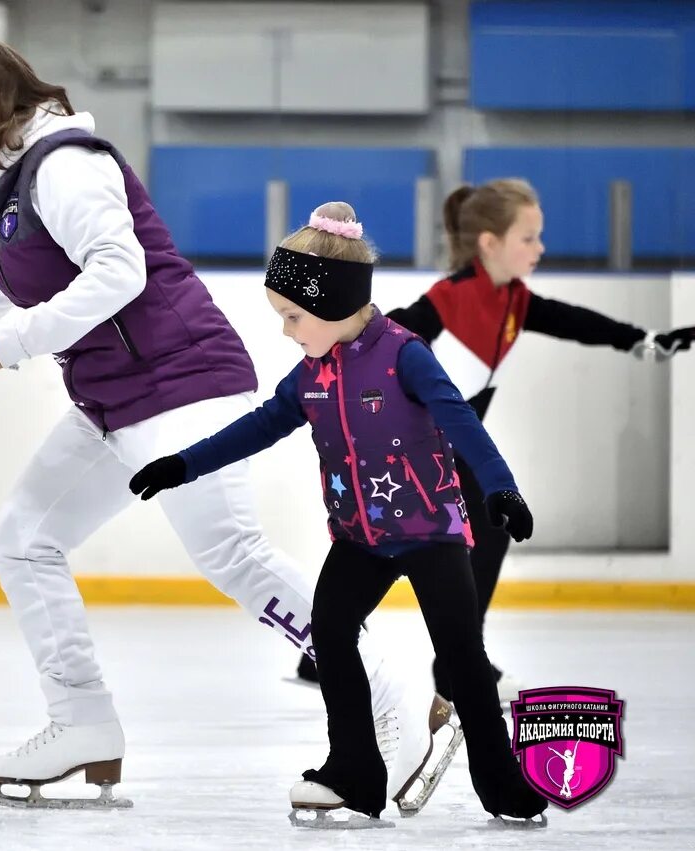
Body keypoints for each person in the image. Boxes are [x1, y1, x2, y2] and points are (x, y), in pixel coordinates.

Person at [0, 39, 449, 810]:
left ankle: (391, 703)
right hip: (114, 400)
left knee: (232, 553)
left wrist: (16, 342)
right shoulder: (14, 190)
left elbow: (118, 271)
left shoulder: (66, 164)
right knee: (25, 539)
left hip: (182, 384)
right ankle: (83, 723)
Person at [130, 201, 549, 822]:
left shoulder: (404, 354)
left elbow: (460, 422)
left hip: (431, 533)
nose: (287, 330)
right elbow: (259, 427)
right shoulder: (310, 376)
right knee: (330, 634)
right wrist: (182, 464)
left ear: (330, 303)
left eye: (293, 316)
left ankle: (502, 782)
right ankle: (354, 771)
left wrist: (501, 490)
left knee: (462, 658)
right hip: (360, 538)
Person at [292, 178, 695, 703]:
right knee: (400, 548)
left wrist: (644, 342)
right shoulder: (450, 297)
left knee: (478, 532)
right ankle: (394, 655)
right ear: (489, 242)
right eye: (529, 237)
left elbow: (572, 321)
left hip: (450, 450)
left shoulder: (514, 301)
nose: (540, 248)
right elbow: (381, 333)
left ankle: (446, 659)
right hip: (412, 450)